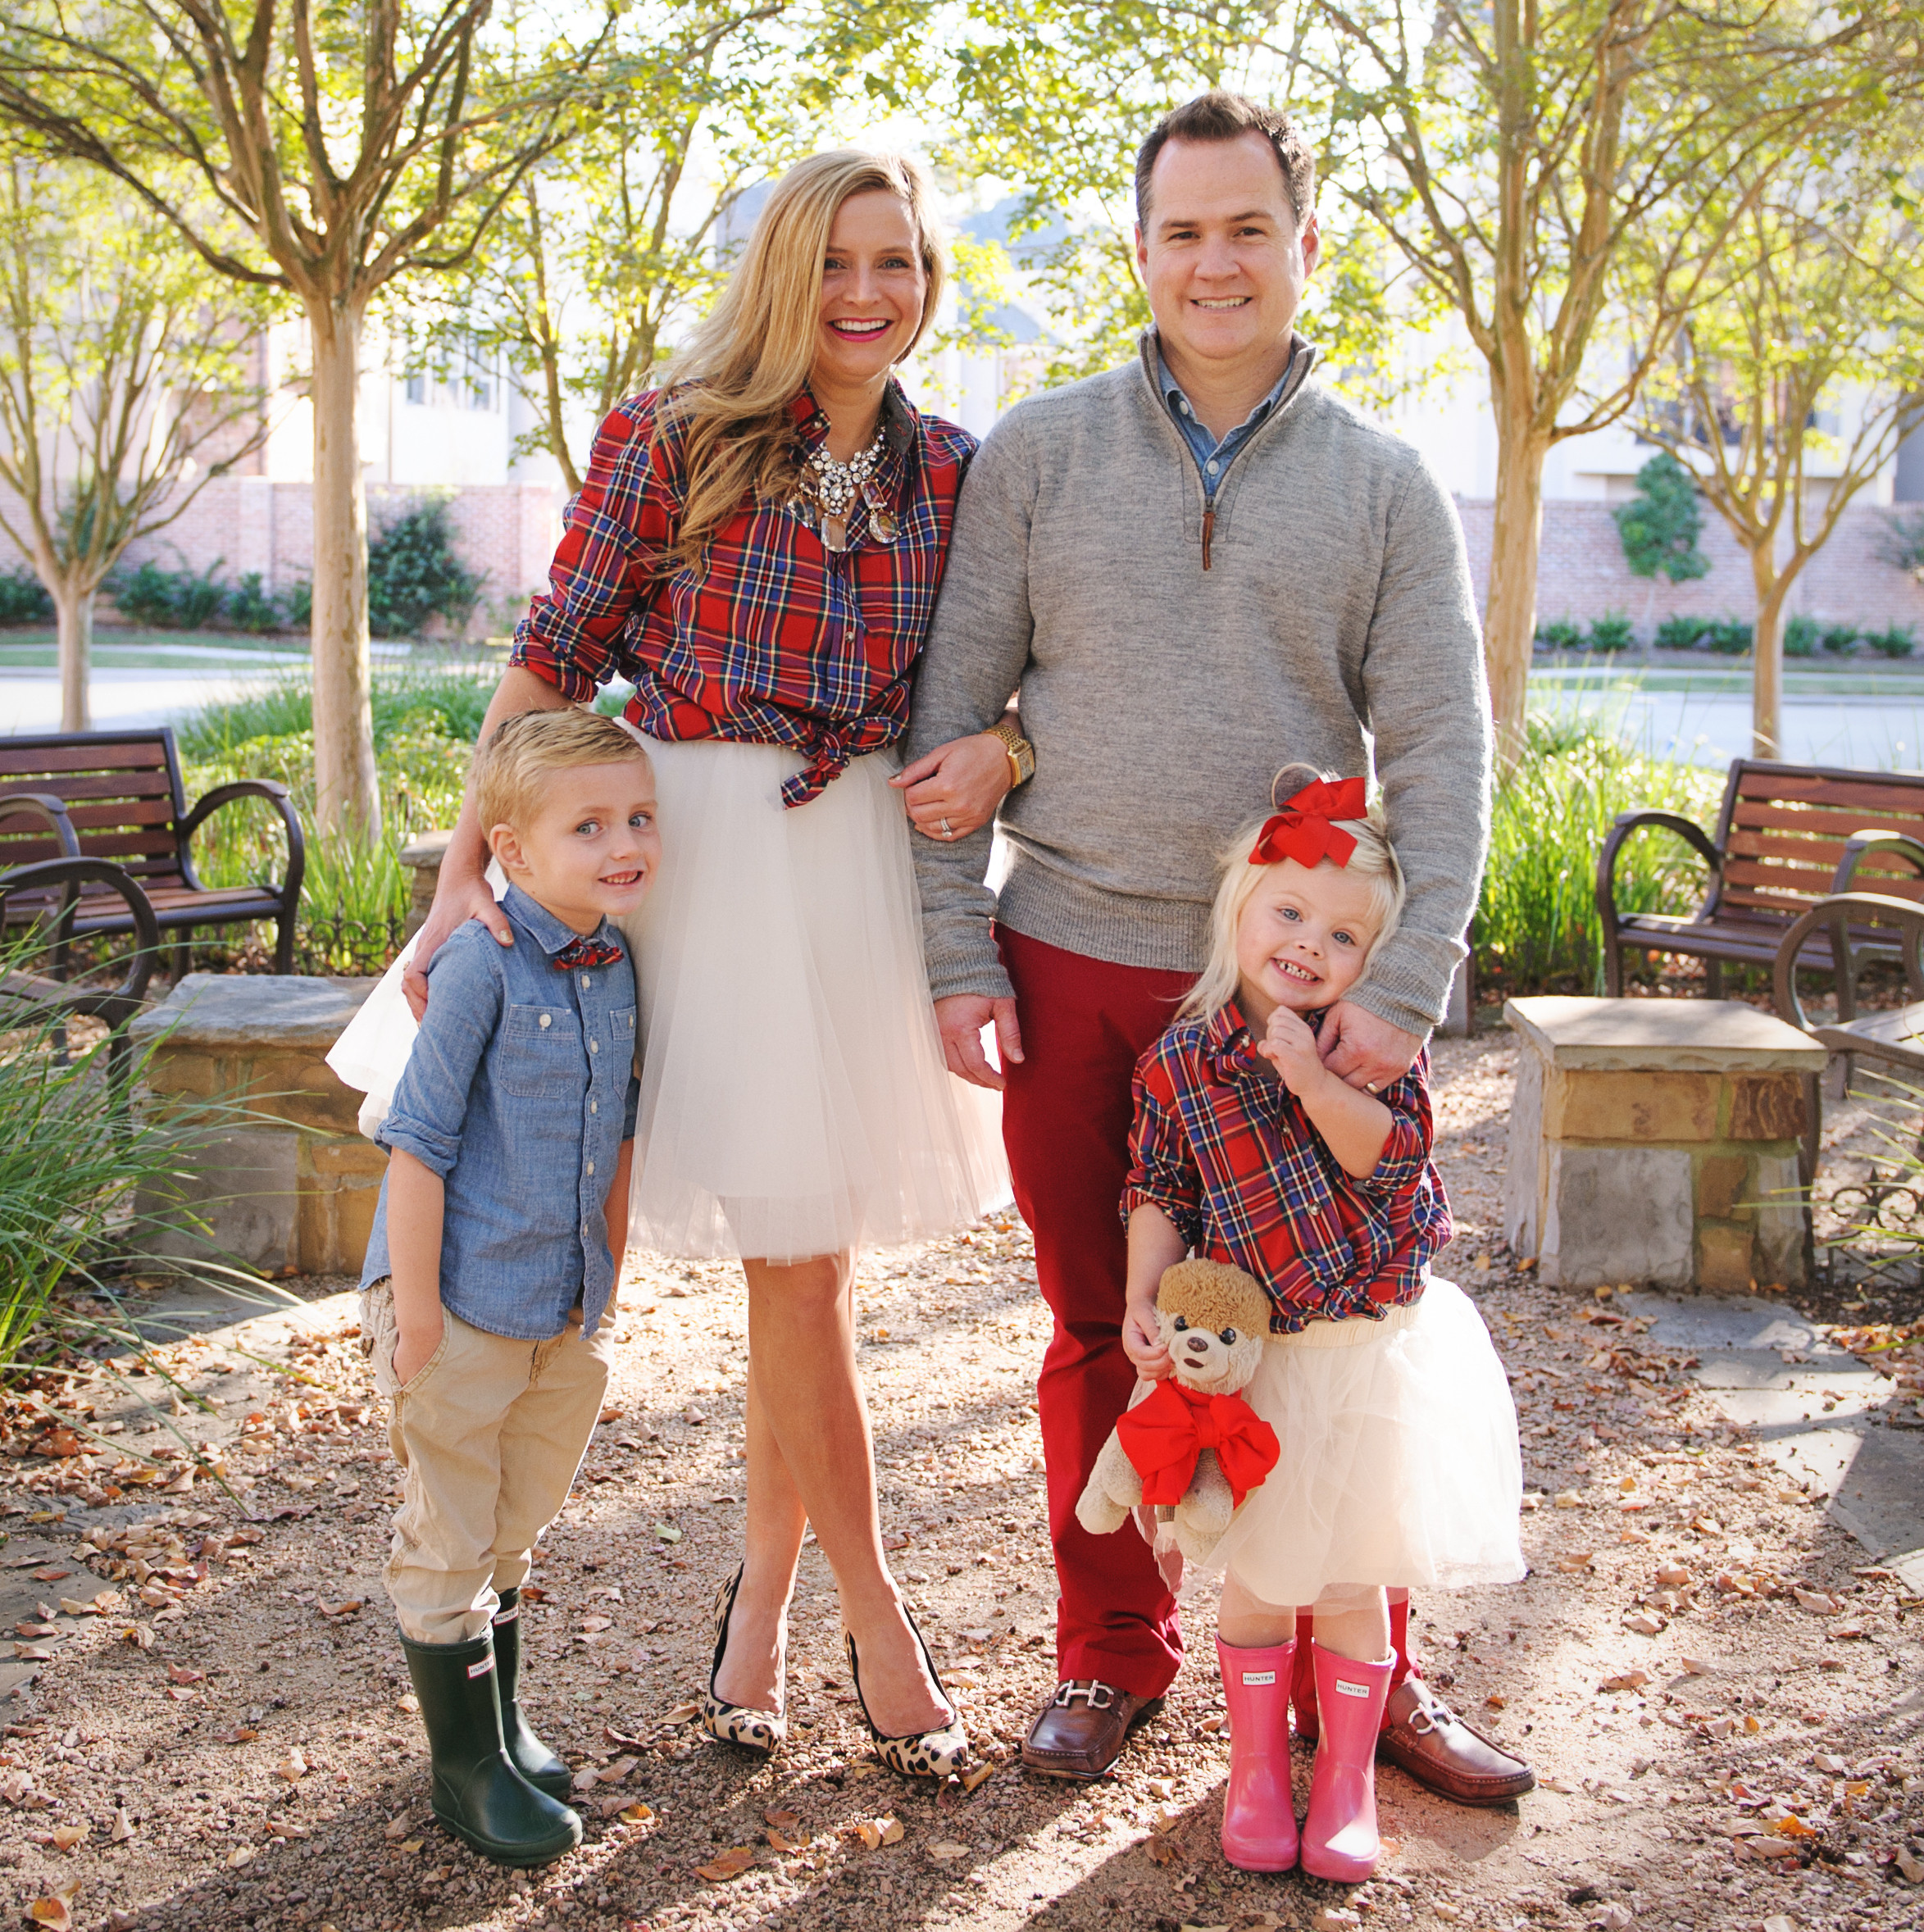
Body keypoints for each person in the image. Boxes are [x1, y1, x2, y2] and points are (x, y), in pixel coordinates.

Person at [907, 89, 1535, 1804]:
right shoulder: (1036, 453)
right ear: (1139, 250)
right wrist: (959, 958)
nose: (1213, 261)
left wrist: (1403, 989)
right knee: (1100, 1326)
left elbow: (1446, 748)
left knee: (1335, 1341)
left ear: (1301, 243)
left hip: (1292, 991)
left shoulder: (1384, 486)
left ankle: (1366, 1675)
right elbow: (951, 724)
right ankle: (1112, 1657)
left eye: (1245, 226)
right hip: (1071, 957)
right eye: (1180, 230)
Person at [403, 149, 1019, 1783]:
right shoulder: (671, 437)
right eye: (836, 263)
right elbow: (551, 658)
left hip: (856, 875)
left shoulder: (951, 471)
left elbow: (1023, 663)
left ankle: (758, 1606)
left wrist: (1011, 742)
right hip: (698, 869)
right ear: (782, 274)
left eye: (898, 263)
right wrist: (469, 864)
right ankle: (876, 1620)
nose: (870, 295)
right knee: (795, 1271)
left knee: (799, 1267)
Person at [1122, 773, 1523, 1877]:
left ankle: (1344, 1780)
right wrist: (1140, 1296)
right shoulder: (1182, 1059)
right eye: (1288, 913)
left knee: (1350, 1578)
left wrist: (1307, 1070)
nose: (1307, 944)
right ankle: (1255, 1775)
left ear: (1375, 958)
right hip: (1257, 1367)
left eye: (1344, 934)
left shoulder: (1376, 1054)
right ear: (1240, 908)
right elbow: (1156, 1187)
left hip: (1363, 1355)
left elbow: (1383, 1160)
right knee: (1256, 1577)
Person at [361, 708, 657, 1866]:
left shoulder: (621, 958)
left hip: (562, 1305)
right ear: (512, 851)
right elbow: (420, 1142)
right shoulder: (481, 962)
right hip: (463, 1299)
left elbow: (618, 1135)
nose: (623, 841)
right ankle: (464, 1767)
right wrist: (420, 1315)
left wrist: (611, 1285)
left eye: (636, 817)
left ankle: (503, 1722)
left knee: (512, 1524)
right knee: (449, 1530)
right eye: (589, 825)